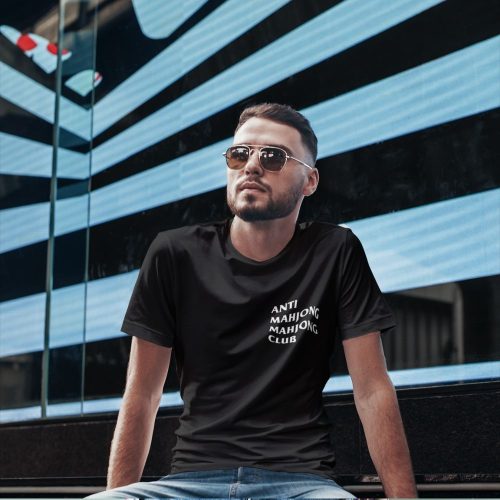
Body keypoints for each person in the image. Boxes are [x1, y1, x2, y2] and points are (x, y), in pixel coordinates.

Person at [87, 103, 417, 499]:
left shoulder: (335, 251)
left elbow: (372, 390)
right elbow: (142, 394)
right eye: (240, 154)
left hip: (301, 484)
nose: (251, 165)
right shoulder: (174, 254)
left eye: (273, 156)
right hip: (189, 484)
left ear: (309, 181)